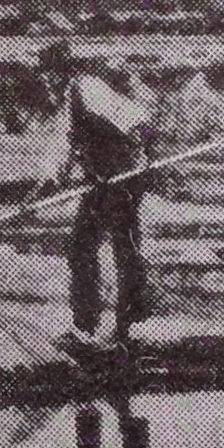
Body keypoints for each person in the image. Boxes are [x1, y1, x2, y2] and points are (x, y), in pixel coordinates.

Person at [37, 43, 153, 349]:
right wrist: (43, 188)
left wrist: (132, 163)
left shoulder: (86, 88)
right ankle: (87, 326)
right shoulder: (72, 97)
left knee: (120, 248)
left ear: (60, 71)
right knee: (83, 247)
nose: (46, 81)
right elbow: (66, 145)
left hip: (122, 180)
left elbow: (136, 124)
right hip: (103, 180)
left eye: (49, 74)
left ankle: (128, 326)